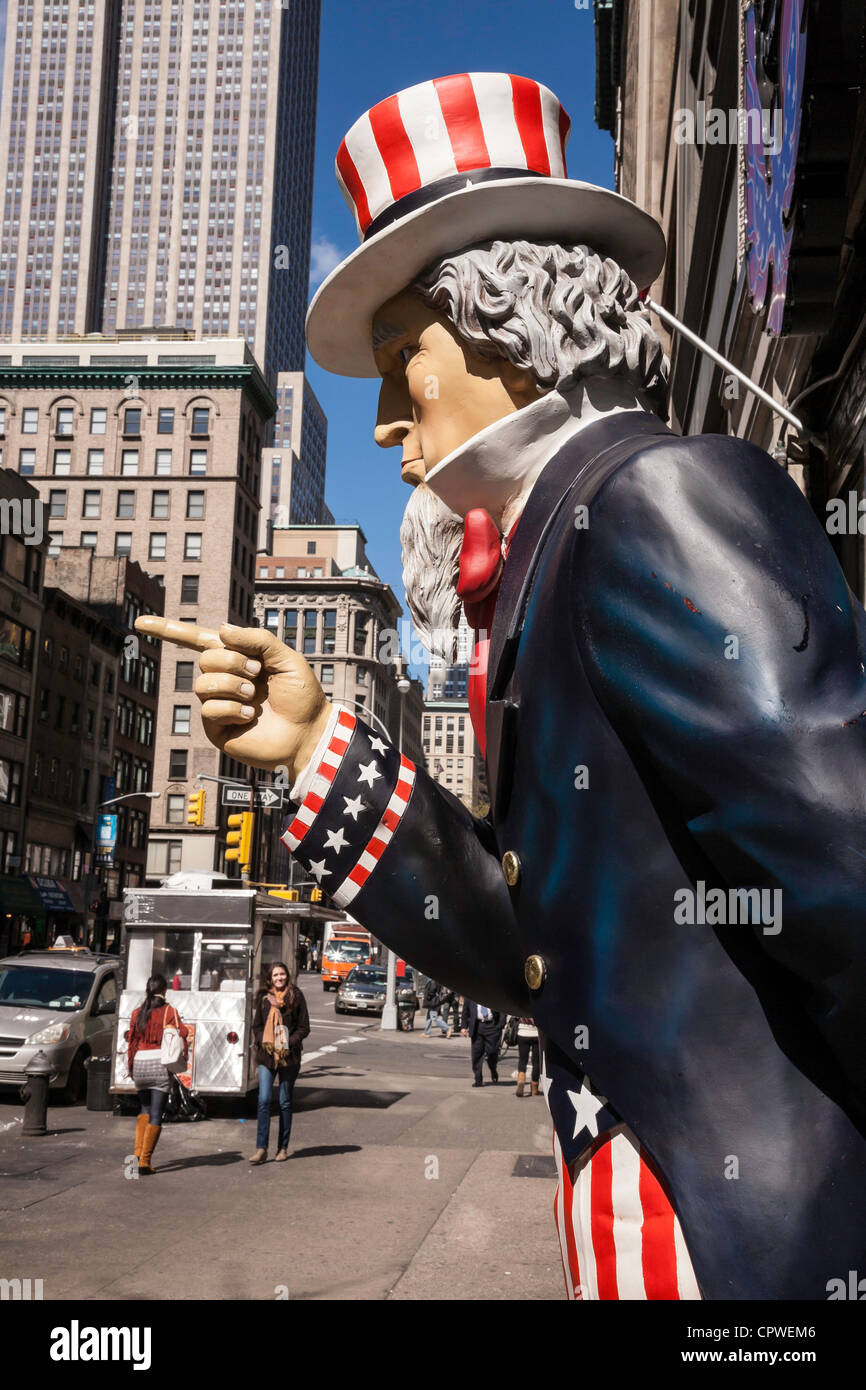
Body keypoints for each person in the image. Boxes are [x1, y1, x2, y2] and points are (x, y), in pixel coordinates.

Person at [138, 71, 866, 1299]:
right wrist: (318, 744)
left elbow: (843, 865)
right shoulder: (559, 554)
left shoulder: (656, 500)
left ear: (508, 320)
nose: (376, 421)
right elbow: (533, 945)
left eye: (398, 357)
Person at [127, 973, 189, 1175]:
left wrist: (131, 1068)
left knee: (144, 1109)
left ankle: (136, 1156)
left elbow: (132, 1044)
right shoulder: (169, 1011)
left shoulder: (137, 1013)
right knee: (156, 1114)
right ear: (164, 991)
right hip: (159, 1065)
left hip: (140, 1064)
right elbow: (182, 1034)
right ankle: (145, 1161)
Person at [249, 962, 309, 1164]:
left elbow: (304, 1027)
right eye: (276, 975)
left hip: (288, 1058)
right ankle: (261, 1148)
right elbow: (256, 1025)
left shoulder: (296, 996)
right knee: (264, 1099)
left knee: (284, 1102)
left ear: (287, 976)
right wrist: (262, 1039)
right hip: (267, 1056)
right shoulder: (265, 999)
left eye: (282, 974)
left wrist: (288, 1043)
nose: (279, 978)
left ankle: (282, 1148)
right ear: (270, 978)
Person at [461, 1001, 504, 1087]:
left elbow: (502, 1008)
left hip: (492, 1026)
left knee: (492, 1052)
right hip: (477, 1026)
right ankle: (478, 1079)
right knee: (477, 1054)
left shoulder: (493, 993)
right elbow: (465, 1011)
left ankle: (493, 1069)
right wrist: (464, 1026)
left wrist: (500, 1025)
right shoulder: (470, 994)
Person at [515, 1017, 540, 1098]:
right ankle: (534, 1089)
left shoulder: (523, 1004)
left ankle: (521, 1080)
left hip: (523, 1033)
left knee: (522, 1060)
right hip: (537, 1034)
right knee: (536, 1062)